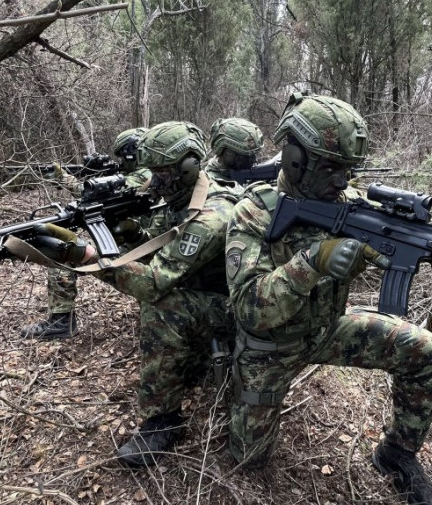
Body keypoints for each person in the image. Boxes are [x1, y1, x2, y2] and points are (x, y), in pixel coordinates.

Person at [224, 92, 432, 505]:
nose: (341, 181)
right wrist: (313, 262)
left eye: (348, 170)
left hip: (328, 330)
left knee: (428, 353)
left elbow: (430, 243)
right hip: (268, 348)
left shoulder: (350, 205)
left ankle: (396, 454)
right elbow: (248, 309)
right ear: (293, 156)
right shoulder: (253, 211)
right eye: (330, 167)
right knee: (249, 459)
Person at [26, 121, 242, 467]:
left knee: (163, 306)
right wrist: (126, 233)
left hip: (236, 310)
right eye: (150, 172)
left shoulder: (211, 213)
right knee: (166, 299)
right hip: (205, 293)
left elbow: (155, 282)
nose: (154, 182)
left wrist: (83, 256)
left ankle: (163, 420)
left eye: (161, 172)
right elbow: (155, 251)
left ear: (188, 166)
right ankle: (192, 358)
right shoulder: (178, 198)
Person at [20, 128, 150, 340]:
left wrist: (63, 177)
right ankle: (61, 321)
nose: (121, 160)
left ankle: (61, 322)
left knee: (63, 253)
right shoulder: (147, 173)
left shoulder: (144, 175)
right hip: (137, 240)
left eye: (122, 155)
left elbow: (92, 197)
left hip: (142, 245)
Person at [204, 117, 265, 183]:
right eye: (246, 156)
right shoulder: (210, 184)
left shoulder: (236, 176)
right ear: (229, 153)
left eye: (254, 155)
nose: (254, 160)